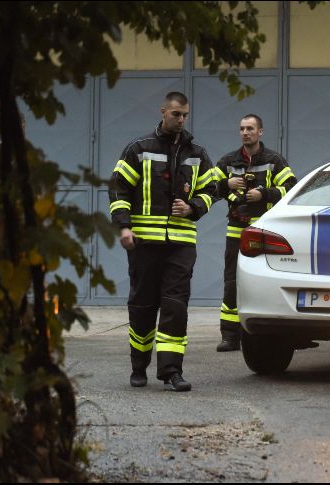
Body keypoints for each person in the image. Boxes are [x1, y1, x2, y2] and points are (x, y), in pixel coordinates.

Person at [108, 91, 217, 391]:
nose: (181, 120)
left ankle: (171, 371)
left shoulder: (198, 153)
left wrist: (193, 206)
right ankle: (138, 365)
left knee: (175, 306)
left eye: (185, 115)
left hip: (181, 244)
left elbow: (213, 189)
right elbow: (118, 189)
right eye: (176, 114)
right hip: (143, 244)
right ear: (163, 112)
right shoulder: (138, 148)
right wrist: (124, 227)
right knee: (143, 306)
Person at [214, 114, 297, 351]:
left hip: (264, 233)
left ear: (260, 132)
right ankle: (230, 336)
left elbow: (292, 188)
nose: (245, 133)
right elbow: (207, 187)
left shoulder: (273, 161)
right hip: (236, 231)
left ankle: (271, 333)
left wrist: (265, 194)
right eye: (242, 129)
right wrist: (226, 185)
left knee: (267, 280)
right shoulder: (228, 161)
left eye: (250, 128)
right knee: (232, 282)